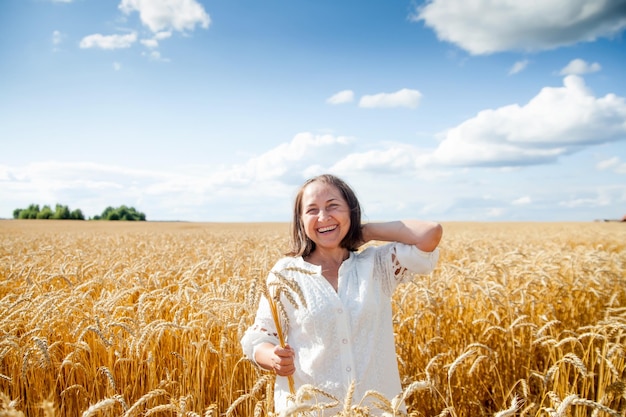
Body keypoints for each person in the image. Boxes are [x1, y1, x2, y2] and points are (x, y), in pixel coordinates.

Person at [240, 174, 442, 415]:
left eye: (333, 206)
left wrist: (362, 232)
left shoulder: (377, 265)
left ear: (351, 211)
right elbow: (258, 338)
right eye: (312, 210)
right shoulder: (287, 272)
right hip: (311, 410)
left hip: (376, 409)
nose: (323, 217)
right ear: (301, 221)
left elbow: (430, 233)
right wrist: (272, 358)